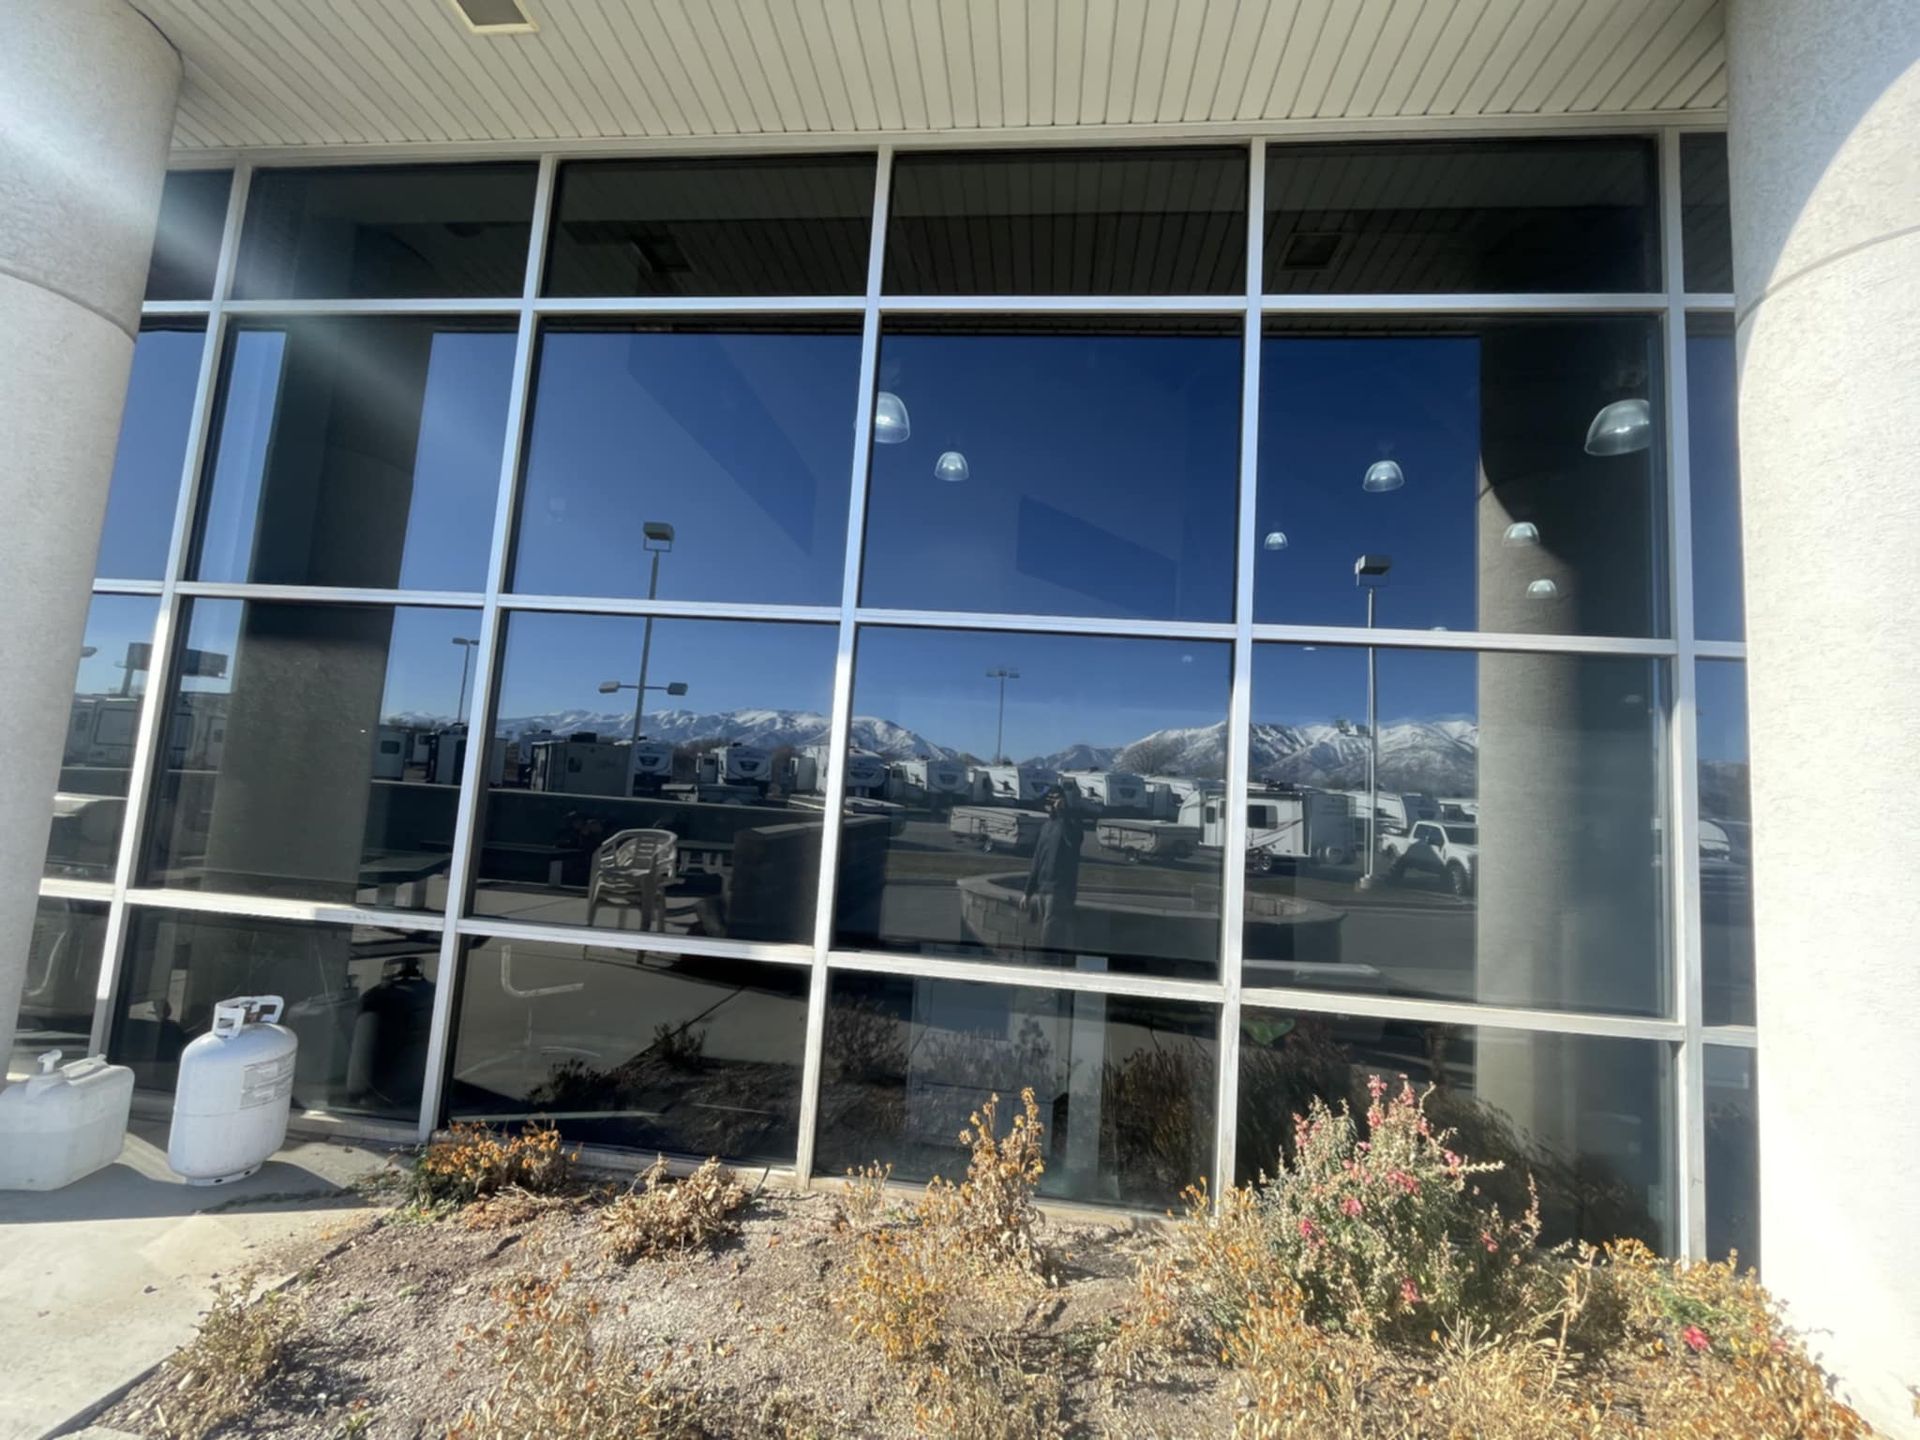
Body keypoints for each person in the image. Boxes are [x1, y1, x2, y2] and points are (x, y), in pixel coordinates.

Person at [1023, 782, 1088, 954]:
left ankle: (1046, 961)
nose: (1052, 803)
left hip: (1060, 889)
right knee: (1042, 929)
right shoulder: (1046, 826)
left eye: (1056, 798)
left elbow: (1073, 841)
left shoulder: (1072, 823)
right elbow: (1037, 860)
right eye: (1050, 799)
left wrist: (1064, 813)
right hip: (1042, 888)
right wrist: (1028, 892)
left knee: (1050, 932)